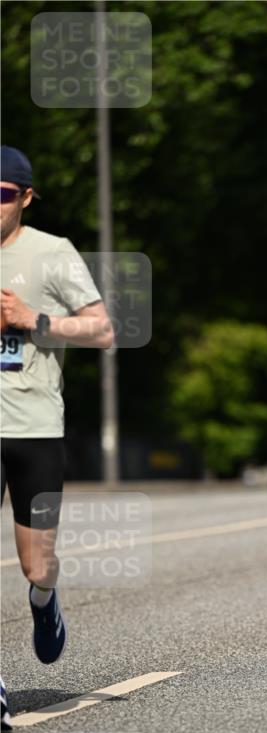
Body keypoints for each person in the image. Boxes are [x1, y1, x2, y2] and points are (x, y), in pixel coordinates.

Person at [1, 146, 112, 663]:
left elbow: (102, 329)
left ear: (24, 197)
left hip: (35, 428)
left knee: (37, 565)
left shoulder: (52, 252)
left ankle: (44, 602)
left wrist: (34, 319)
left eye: (2, 195)